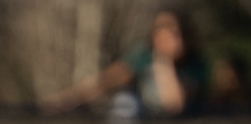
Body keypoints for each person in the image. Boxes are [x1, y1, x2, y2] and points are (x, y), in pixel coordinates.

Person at [44, 7, 215, 117]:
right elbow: (105, 81)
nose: (173, 39)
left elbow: (176, 106)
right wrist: (64, 101)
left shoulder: (196, 65)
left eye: (177, 33)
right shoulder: (143, 55)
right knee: (125, 102)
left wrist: (164, 64)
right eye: (165, 31)